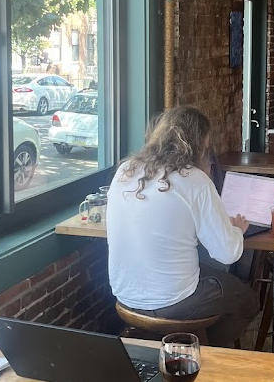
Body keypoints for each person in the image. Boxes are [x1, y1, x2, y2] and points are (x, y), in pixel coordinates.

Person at [106, 106, 259, 347]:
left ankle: (169, 345)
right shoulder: (195, 180)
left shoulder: (126, 170)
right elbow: (227, 253)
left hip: (125, 295)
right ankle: (198, 352)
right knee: (248, 301)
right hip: (175, 301)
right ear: (199, 145)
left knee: (201, 270)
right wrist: (237, 229)